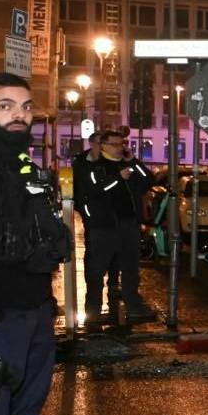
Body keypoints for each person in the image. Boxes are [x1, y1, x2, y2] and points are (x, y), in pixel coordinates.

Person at [0, 73, 69, 415]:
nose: (18, 115)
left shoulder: (27, 166)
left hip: (35, 314)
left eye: (24, 107)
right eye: (3, 106)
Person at [71, 129, 154, 326]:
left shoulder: (127, 164)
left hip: (128, 224)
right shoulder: (93, 166)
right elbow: (93, 191)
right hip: (102, 225)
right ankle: (93, 312)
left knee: (130, 267)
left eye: (122, 144)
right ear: (103, 145)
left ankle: (133, 305)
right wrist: (118, 178)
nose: (120, 148)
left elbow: (149, 180)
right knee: (96, 270)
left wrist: (134, 161)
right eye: (115, 144)